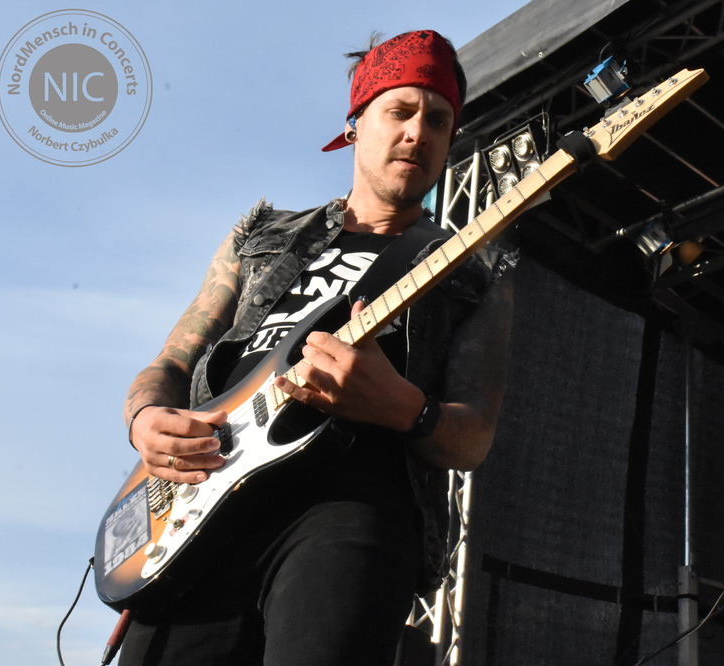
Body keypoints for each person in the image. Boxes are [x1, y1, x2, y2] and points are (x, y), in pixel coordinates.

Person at [118, 29, 514, 665]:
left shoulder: (474, 271)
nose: (418, 132)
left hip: (351, 507)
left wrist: (403, 407)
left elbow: (474, 437)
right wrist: (144, 420)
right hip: (201, 510)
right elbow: (172, 362)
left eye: (438, 120)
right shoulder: (259, 236)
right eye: (400, 112)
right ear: (355, 124)